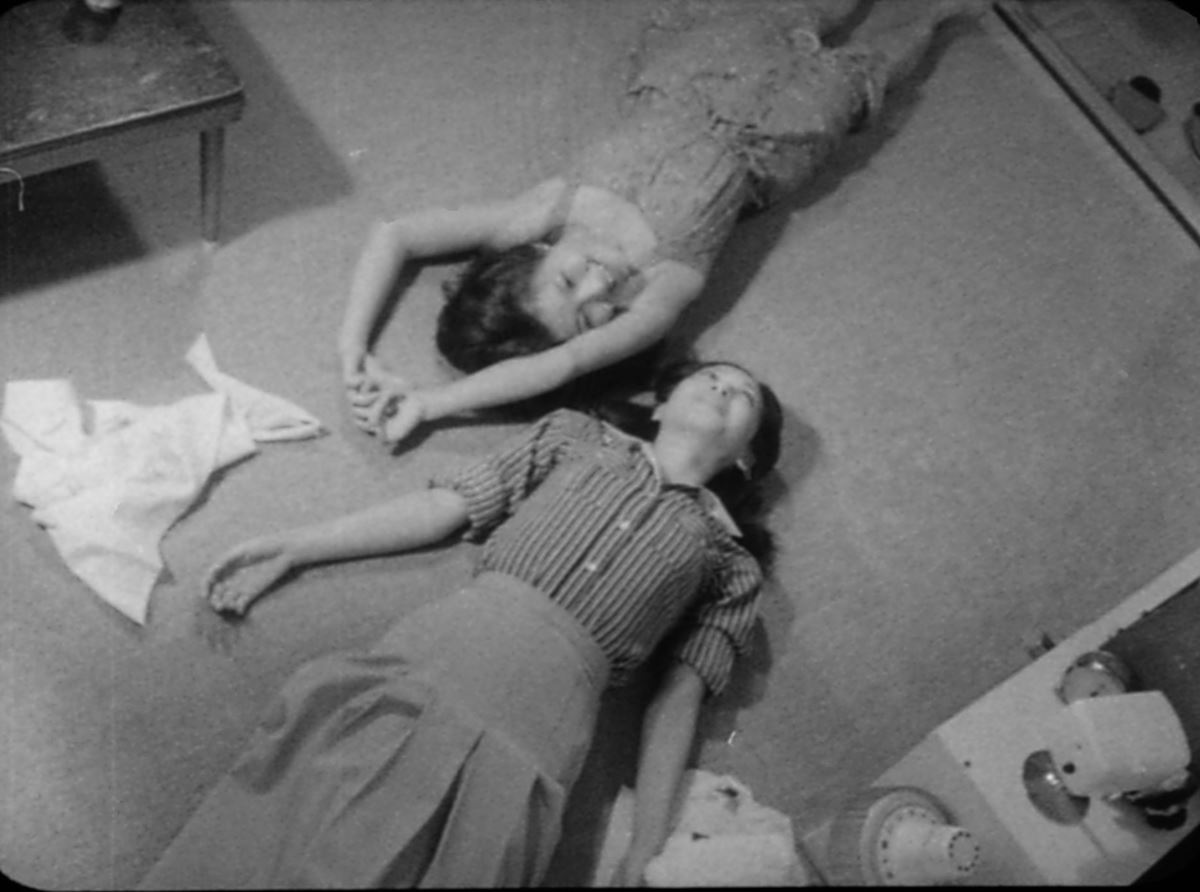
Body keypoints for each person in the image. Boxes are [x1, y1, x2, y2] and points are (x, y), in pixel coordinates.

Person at [139, 360, 783, 889]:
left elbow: (677, 703)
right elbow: (446, 506)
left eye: (743, 395)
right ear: (661, 404)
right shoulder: (573, 437)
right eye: (709, 376)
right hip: (436, 657)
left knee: (463, 860)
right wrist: (297, 547)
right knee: (291, 817)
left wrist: (647, 845)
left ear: (748, 458)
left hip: (539, 725)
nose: (723, 387)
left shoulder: (730, 567)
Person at [338, 0, 983, 449]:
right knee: (870, 70)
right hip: (778, 133)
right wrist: (430, 403)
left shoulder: (538, 214)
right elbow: (558, 369)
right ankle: (941, 16)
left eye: (567, 282)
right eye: (589, 317)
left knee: (796, 9)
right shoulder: (658, 295)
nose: (600, 287)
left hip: (696, 74)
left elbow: (396, 235)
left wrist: (352, 348)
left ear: (533, 253)